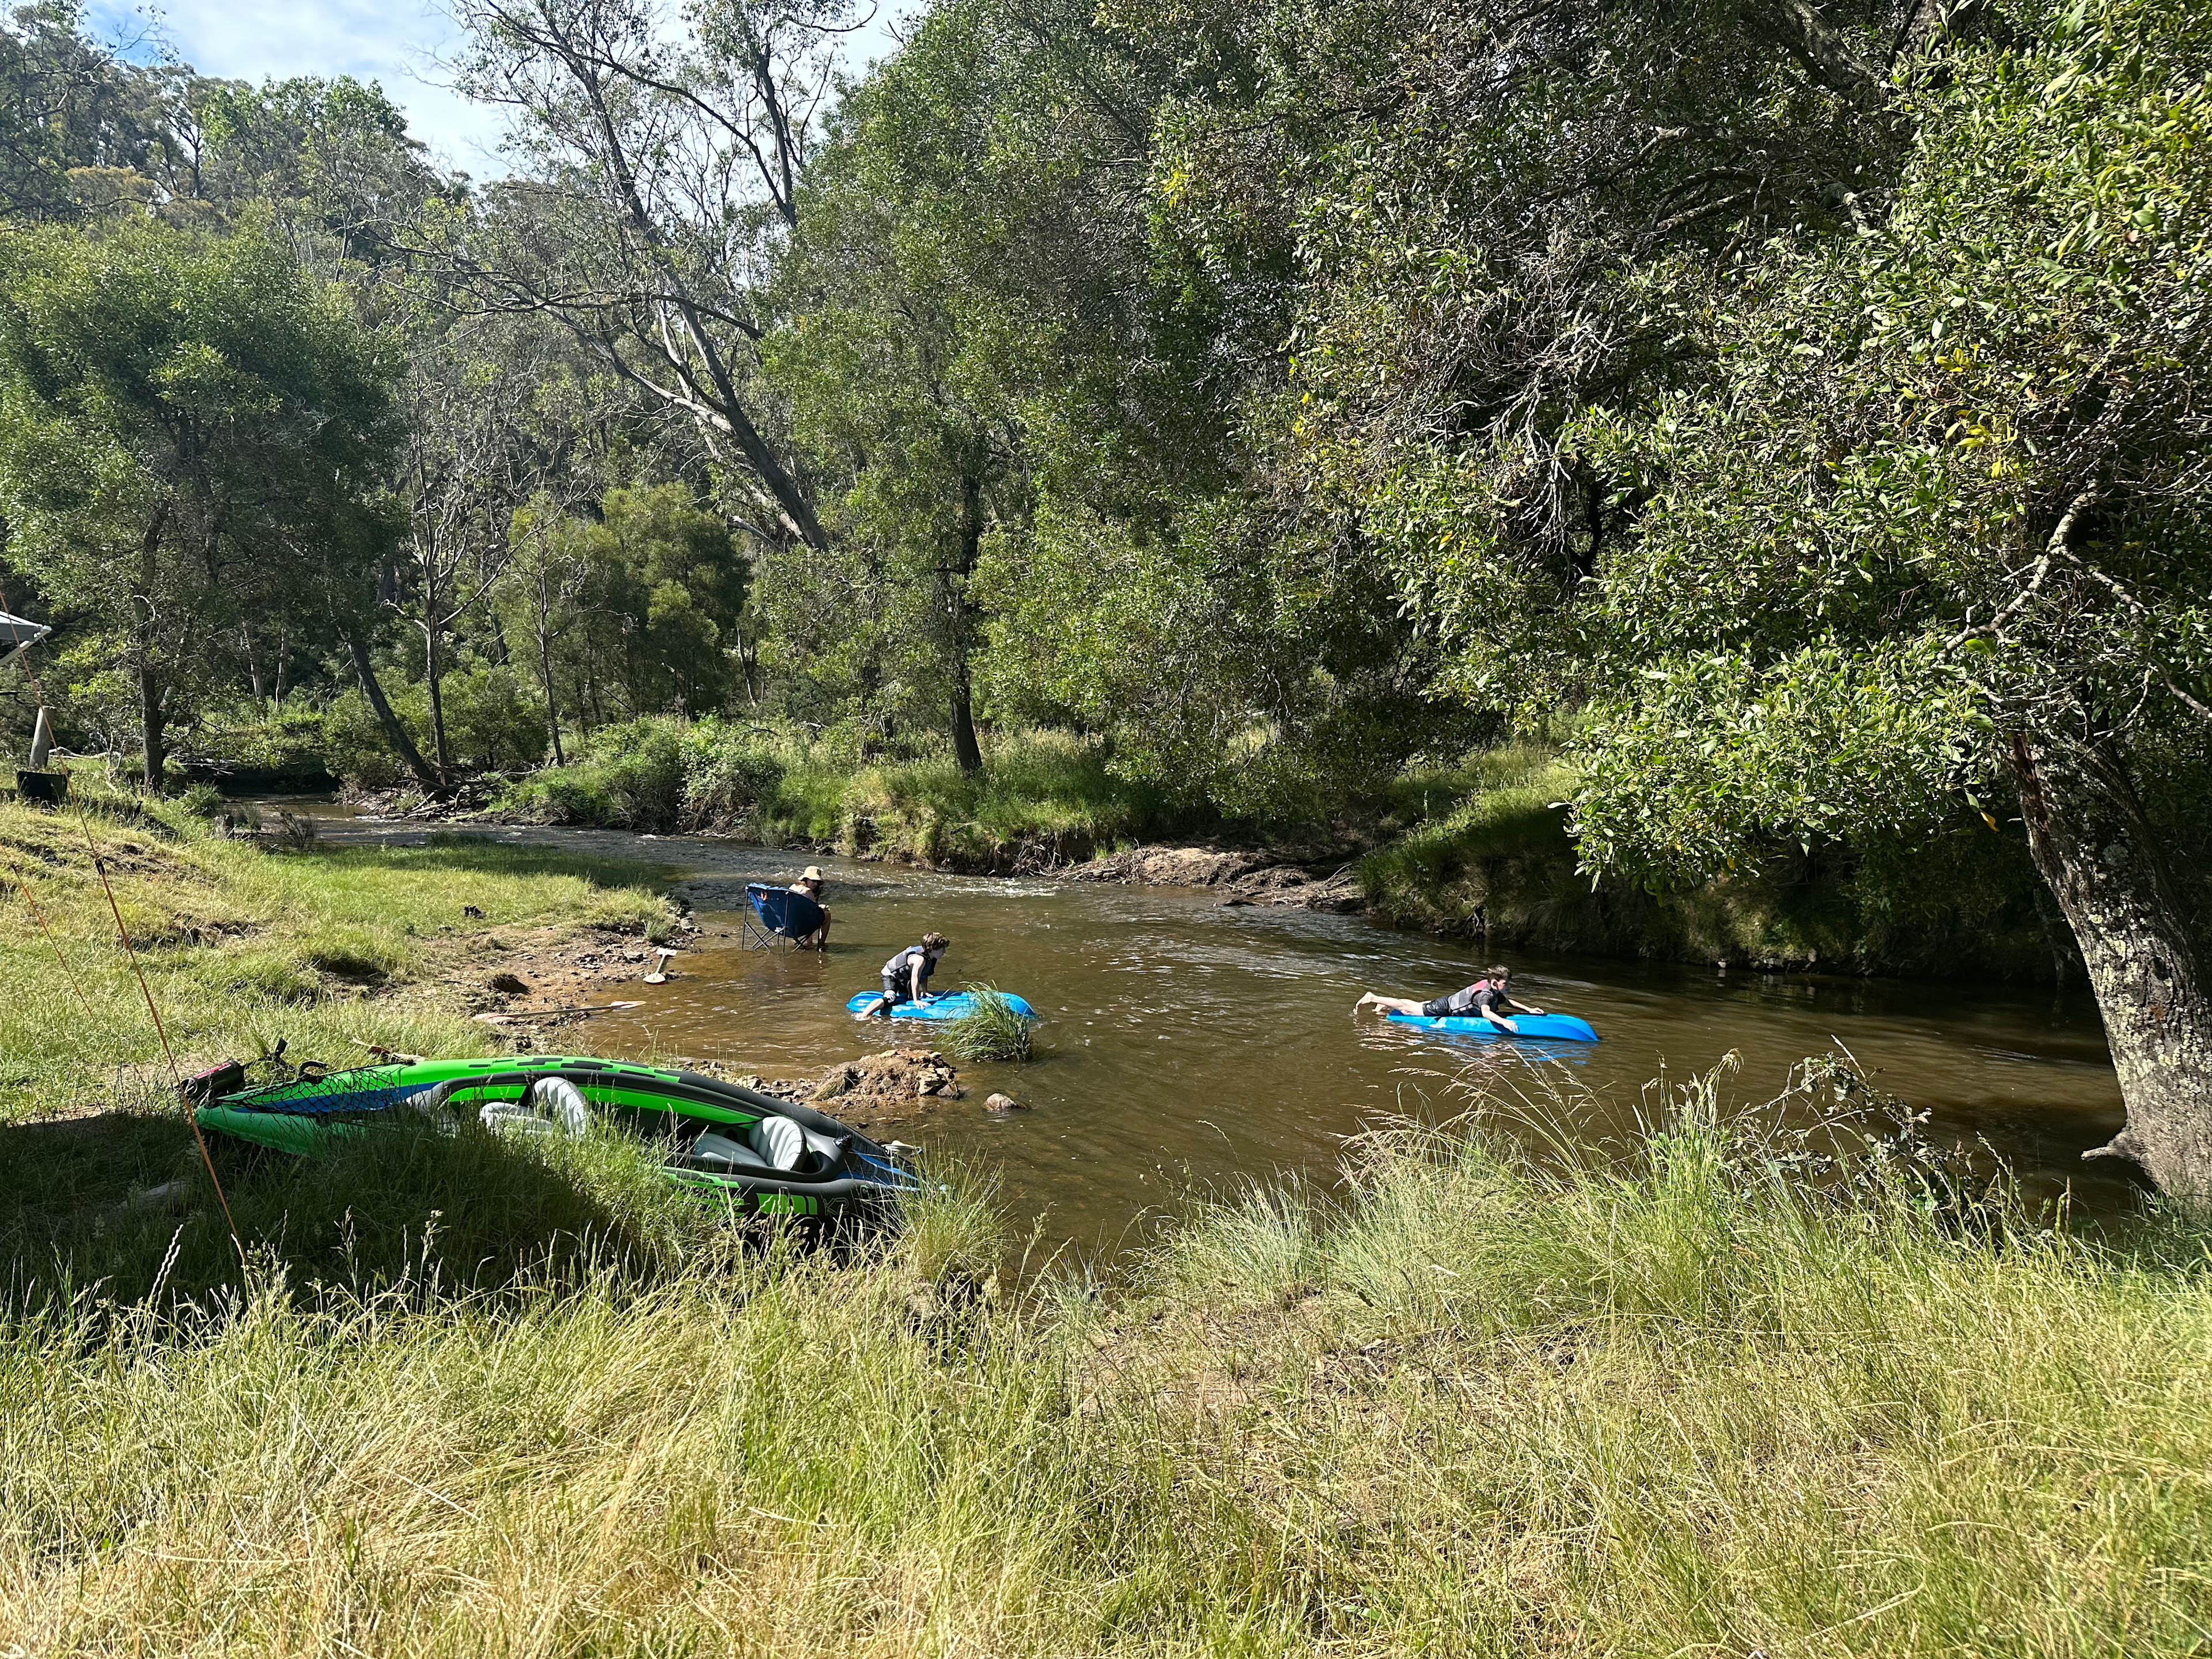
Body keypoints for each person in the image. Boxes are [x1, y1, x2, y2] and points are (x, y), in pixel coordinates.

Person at [1355, 965, 1547, 1034]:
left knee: (1413, 1005)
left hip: (1449, 1002)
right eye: (1506, 984)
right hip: (1445, 1008)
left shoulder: (1492, 988)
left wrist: (1529, 1010)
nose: (1509, 986)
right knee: (1407, 1010)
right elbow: (1486, 1013)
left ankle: (1384, 1003)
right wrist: (1503, 1022)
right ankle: (1373, 997)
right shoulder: (1486, 994)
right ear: (1495, 983)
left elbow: (1507, 1002)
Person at [859, 931, 950, 1017]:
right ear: (933, 948)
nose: (944, 952)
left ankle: (909, 994)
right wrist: (916, 1000)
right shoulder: (920, 959)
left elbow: (924, 974)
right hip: (891, 976)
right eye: (942, 949)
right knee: (890, 998)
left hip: (904, 977)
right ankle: (863, 1016)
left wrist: (925, 990)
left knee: (908, 995)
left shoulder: (932, 957)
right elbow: (915, 978)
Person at [789, 865, 831, 949]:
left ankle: (810, 943)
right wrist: (822, 907)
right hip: (801, 925)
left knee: (806, 914)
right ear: (806, 879)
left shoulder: (792, 887)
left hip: (787, 924)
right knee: (827, 915)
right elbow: (815, 911)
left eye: (817, 882)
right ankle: (821, 944)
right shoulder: (807, 891)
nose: (815, 884)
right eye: (813, 881)